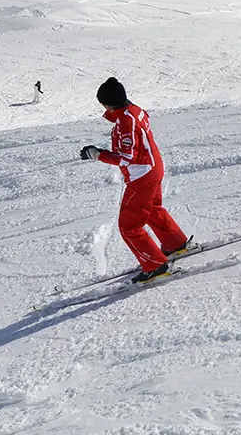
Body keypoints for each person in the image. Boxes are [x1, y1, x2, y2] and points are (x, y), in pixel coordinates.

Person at [79, 77, 191, 283]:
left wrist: (97, 154)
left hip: (143, 175)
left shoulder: (125, 121)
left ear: (110, 102)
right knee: (152, 210)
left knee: (129, 226)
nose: (102, 107)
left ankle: (155, 266)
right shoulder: (135, 110)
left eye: (102, 102)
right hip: (154, 166)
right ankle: (175, 243)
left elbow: (126, 157)